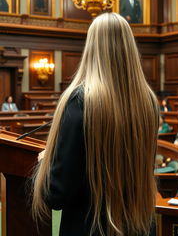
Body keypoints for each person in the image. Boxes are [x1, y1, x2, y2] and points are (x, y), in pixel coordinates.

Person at [32, 13, 159, 236]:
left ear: (91, 48)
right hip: (138, 227)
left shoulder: (81, 101)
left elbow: (57, 195)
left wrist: (46, 162)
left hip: (91, 228)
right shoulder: (148, 101)